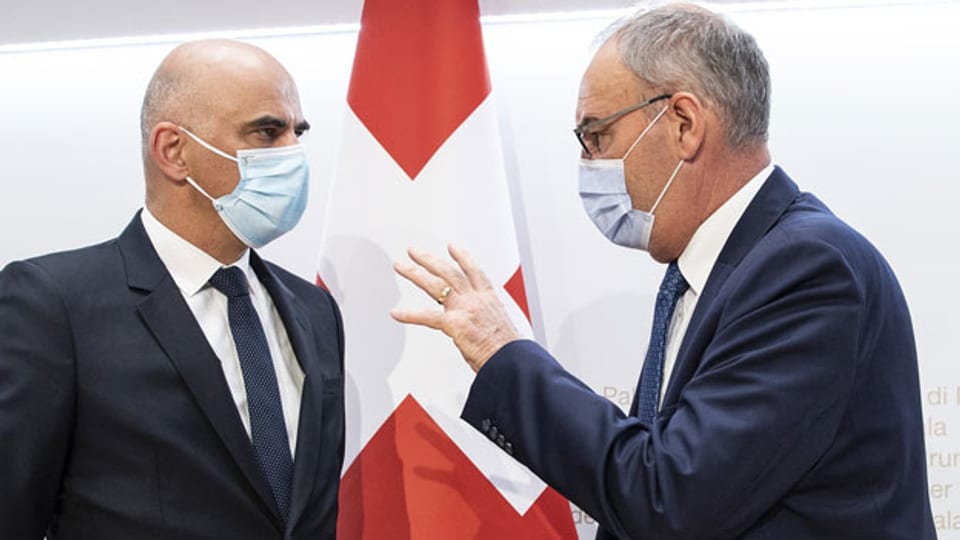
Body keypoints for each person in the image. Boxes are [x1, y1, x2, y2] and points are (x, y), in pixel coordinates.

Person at [391, 3, 935, 539]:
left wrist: (503, 352)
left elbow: (672, 498)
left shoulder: (806, 268)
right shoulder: (712, 271)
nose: (588, 162)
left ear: (683, 123)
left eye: (596, 134)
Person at [0, 40, 344, 539]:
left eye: (298, 131)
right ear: (173, 151)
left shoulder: (314, 311)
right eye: (267, 132)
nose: (293, 152)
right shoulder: (54, 305)